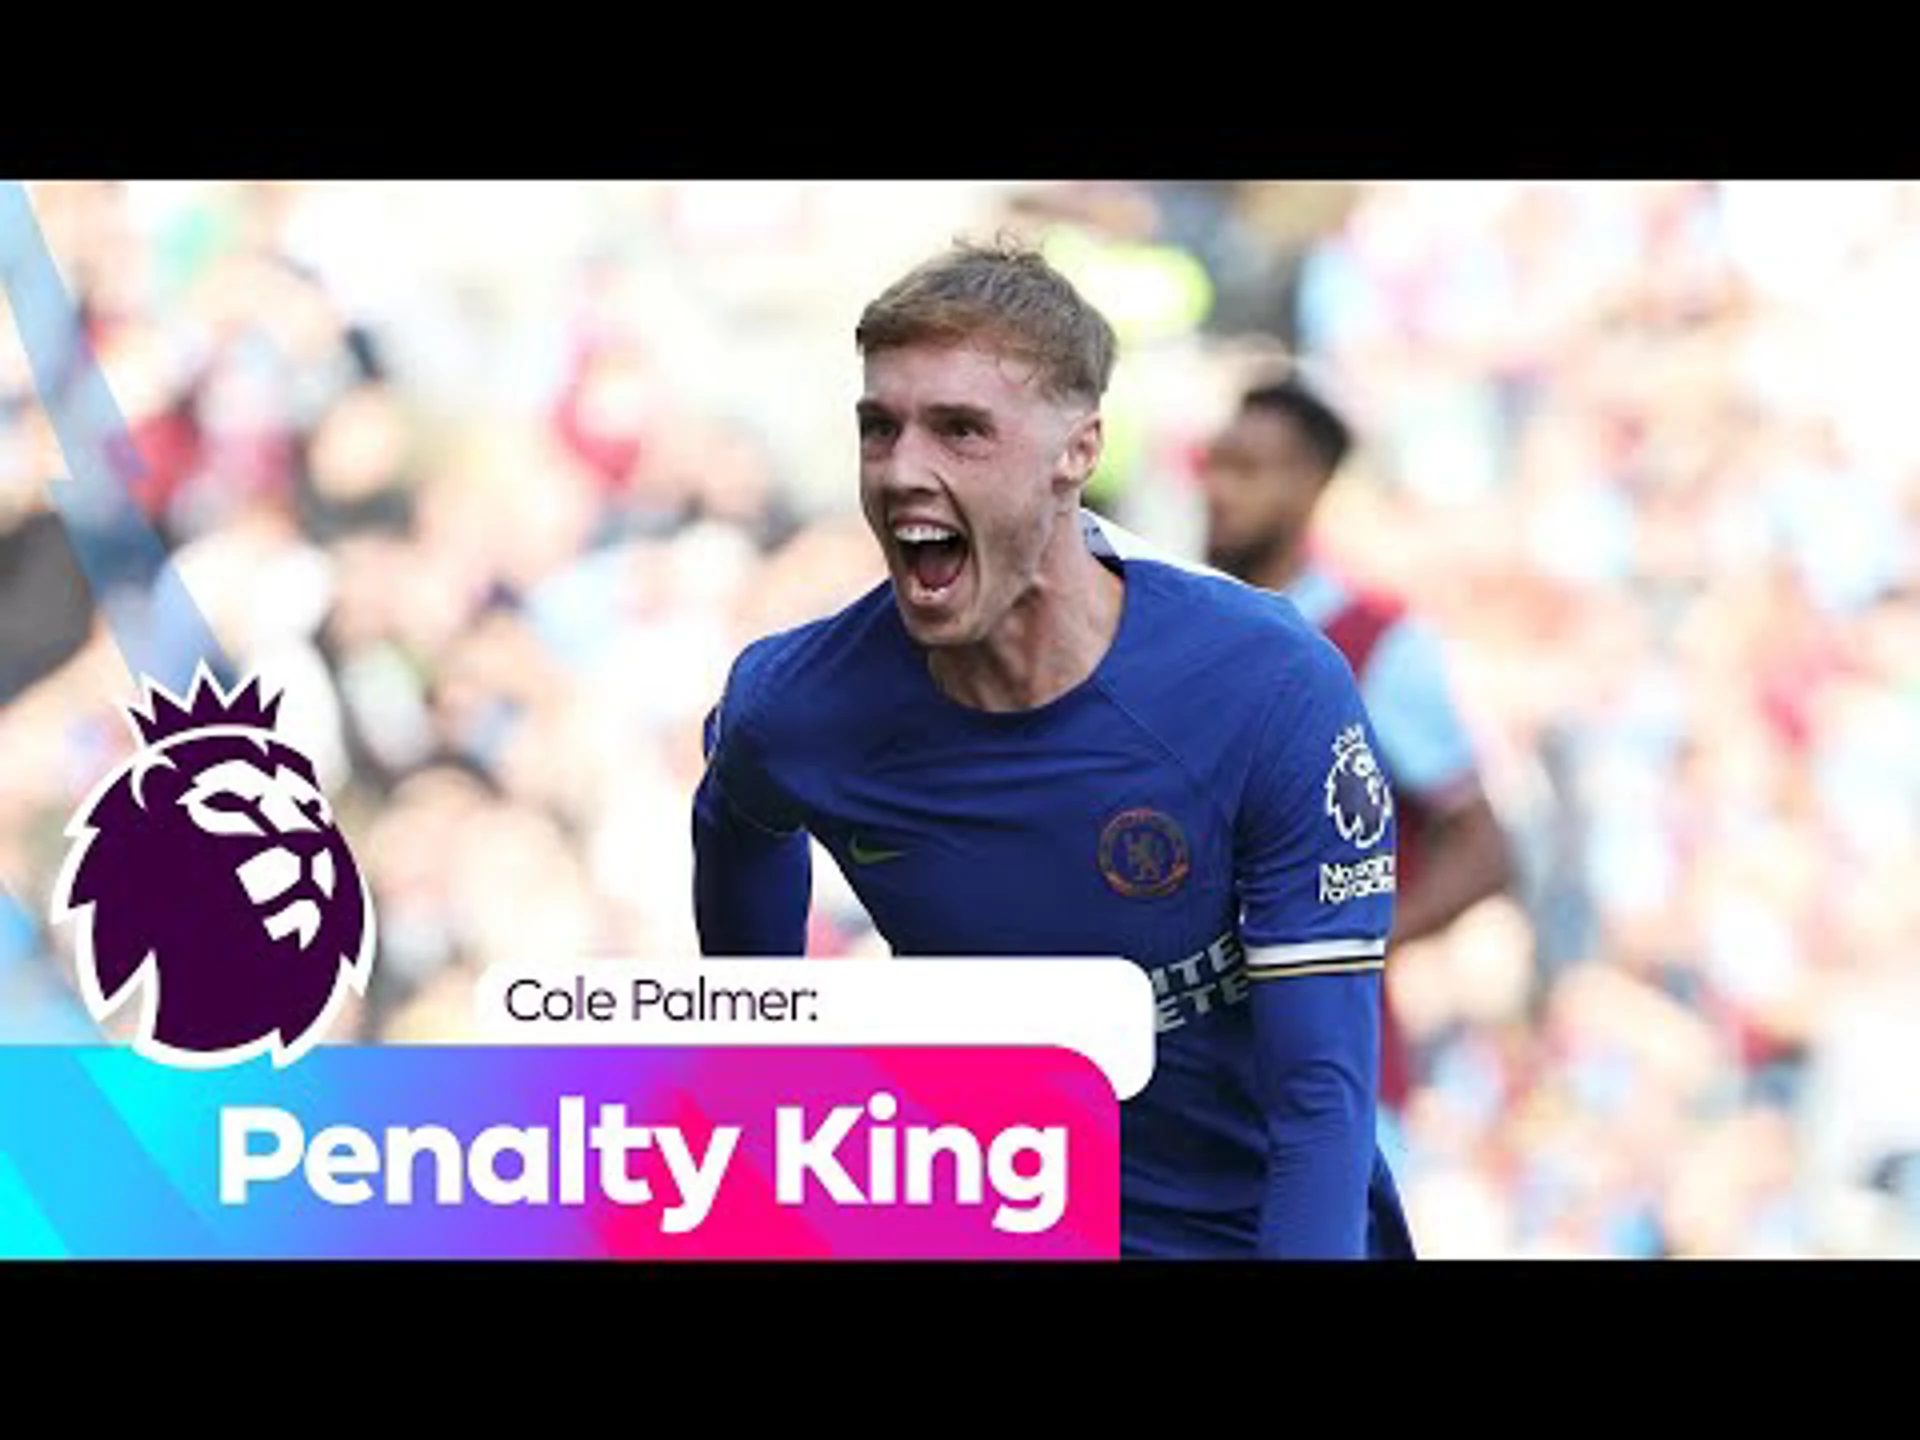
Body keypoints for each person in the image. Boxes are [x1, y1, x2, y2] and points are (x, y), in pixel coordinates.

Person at [692, 239, 1415, 1259]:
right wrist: (762, 1070)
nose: (902, 471)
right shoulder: (798, 703)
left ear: (1078, 451)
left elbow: (1320, 1106)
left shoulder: (1263, 685)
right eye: (879, 428)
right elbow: (739, 818)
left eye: (960, 430)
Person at [1201, 374, 1515, 1117]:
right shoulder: (1178, 629)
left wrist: (1341, 951)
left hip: (1333, 1077)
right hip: (1199, 1074)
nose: (1219, 491)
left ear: (1310, 484)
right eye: (1217, 464)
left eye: (1249, 469)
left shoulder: (1379, 646)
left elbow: (1483, 850)